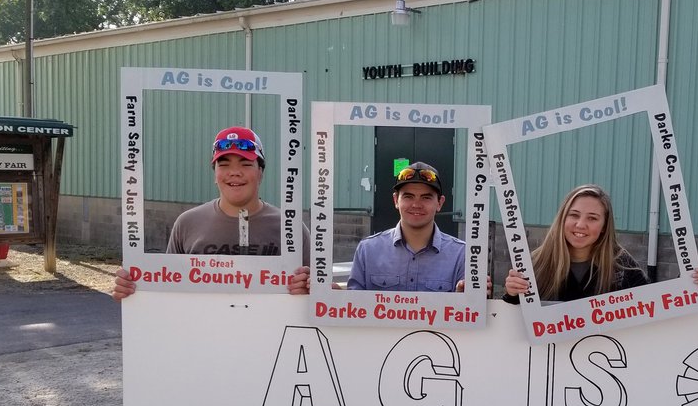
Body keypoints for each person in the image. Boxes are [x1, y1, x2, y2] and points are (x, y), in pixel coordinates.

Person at [112, 127, 309, 300]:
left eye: (246, 164)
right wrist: (133, 293)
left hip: (271, 339)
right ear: (215, 174)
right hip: (200, 340)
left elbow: (319, 293)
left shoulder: (290, 227)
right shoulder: (187, 223)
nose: (234, 172)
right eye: (224, 165)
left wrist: (316, 292)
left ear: (261, 172)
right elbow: (168, 292)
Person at [503, 184, 698, 301]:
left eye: (592, 218)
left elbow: (652, 306)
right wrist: (511, 294)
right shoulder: (535, 263)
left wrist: (686, 288)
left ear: (604, 226)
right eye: (574, 215)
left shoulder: (621, 265)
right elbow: (510, 323)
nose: (581, 224)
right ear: (562, 219)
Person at [346, 162, 465, 292]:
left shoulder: (462, 255)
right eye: (408, 196)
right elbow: (352, 307)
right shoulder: (368, 250)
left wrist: (470, 295)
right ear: (396, 200)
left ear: (439, 203)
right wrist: (334, 300)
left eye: (426, 197)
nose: (416, 205)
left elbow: (471, 307)